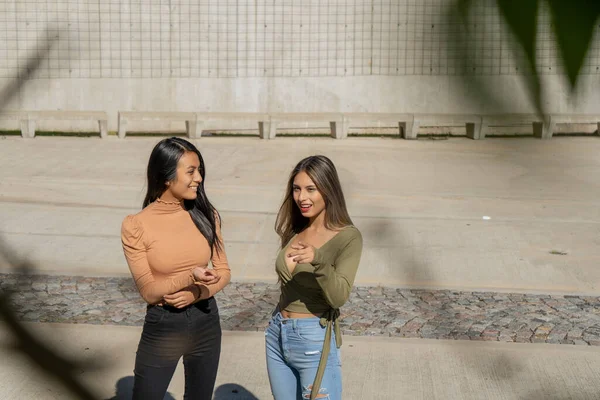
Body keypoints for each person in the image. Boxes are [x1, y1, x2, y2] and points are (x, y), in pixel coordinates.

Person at [121, 137, 231, 400]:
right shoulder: (136, 225)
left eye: (199, 170)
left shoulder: (206, 214)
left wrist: (198, 293)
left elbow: (224, 271)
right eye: (191, 171)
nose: (199, 178)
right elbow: (149, 292)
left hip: (206, 319)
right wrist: (189, 276)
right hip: (164, 325)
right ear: (167, 177)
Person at [265, 155, 363, 400]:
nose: (302, 197)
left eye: (311, 189)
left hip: (313, 340)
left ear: (328, 190)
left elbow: (339, 296)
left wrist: (318, 260)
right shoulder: (298, 228)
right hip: (277, 333)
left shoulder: (348, 237)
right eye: (297, 189)